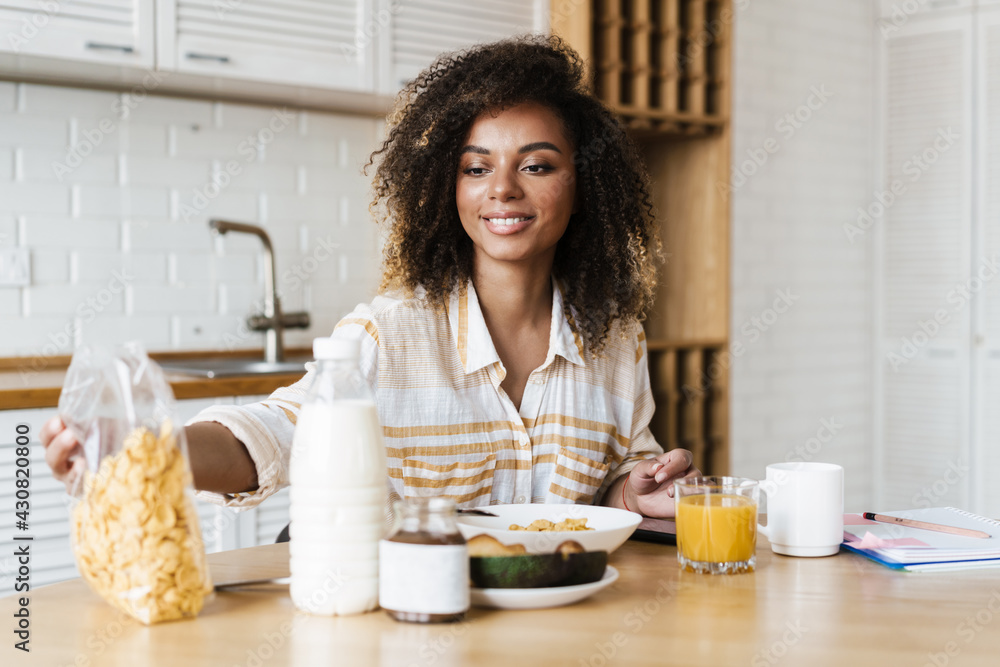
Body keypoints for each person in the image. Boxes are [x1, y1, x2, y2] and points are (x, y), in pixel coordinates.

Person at [41, 35, 698, 518]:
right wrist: (145, 445)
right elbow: (277, 432)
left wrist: (634, 487)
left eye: (536, 165)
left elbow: (617, 475)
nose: (502, 189)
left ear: (583, 187)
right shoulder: (389, 333)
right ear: (448, 188)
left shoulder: (617, 341)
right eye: (475, 168)